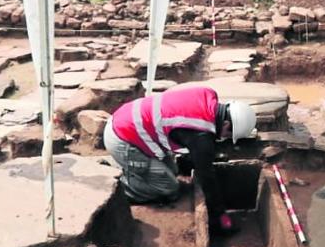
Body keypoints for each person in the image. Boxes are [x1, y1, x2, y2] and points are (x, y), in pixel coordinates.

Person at [104, 84, 256, 231]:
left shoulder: (208, 95)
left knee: (172, 171)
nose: (224, 138)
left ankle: (131, 171)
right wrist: (219, 215)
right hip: (123, 139)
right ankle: (118, 188)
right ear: (226, 124)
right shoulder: (201, 136)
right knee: (169, 188)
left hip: (126, 119)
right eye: (228, 135)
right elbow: (206, 176)